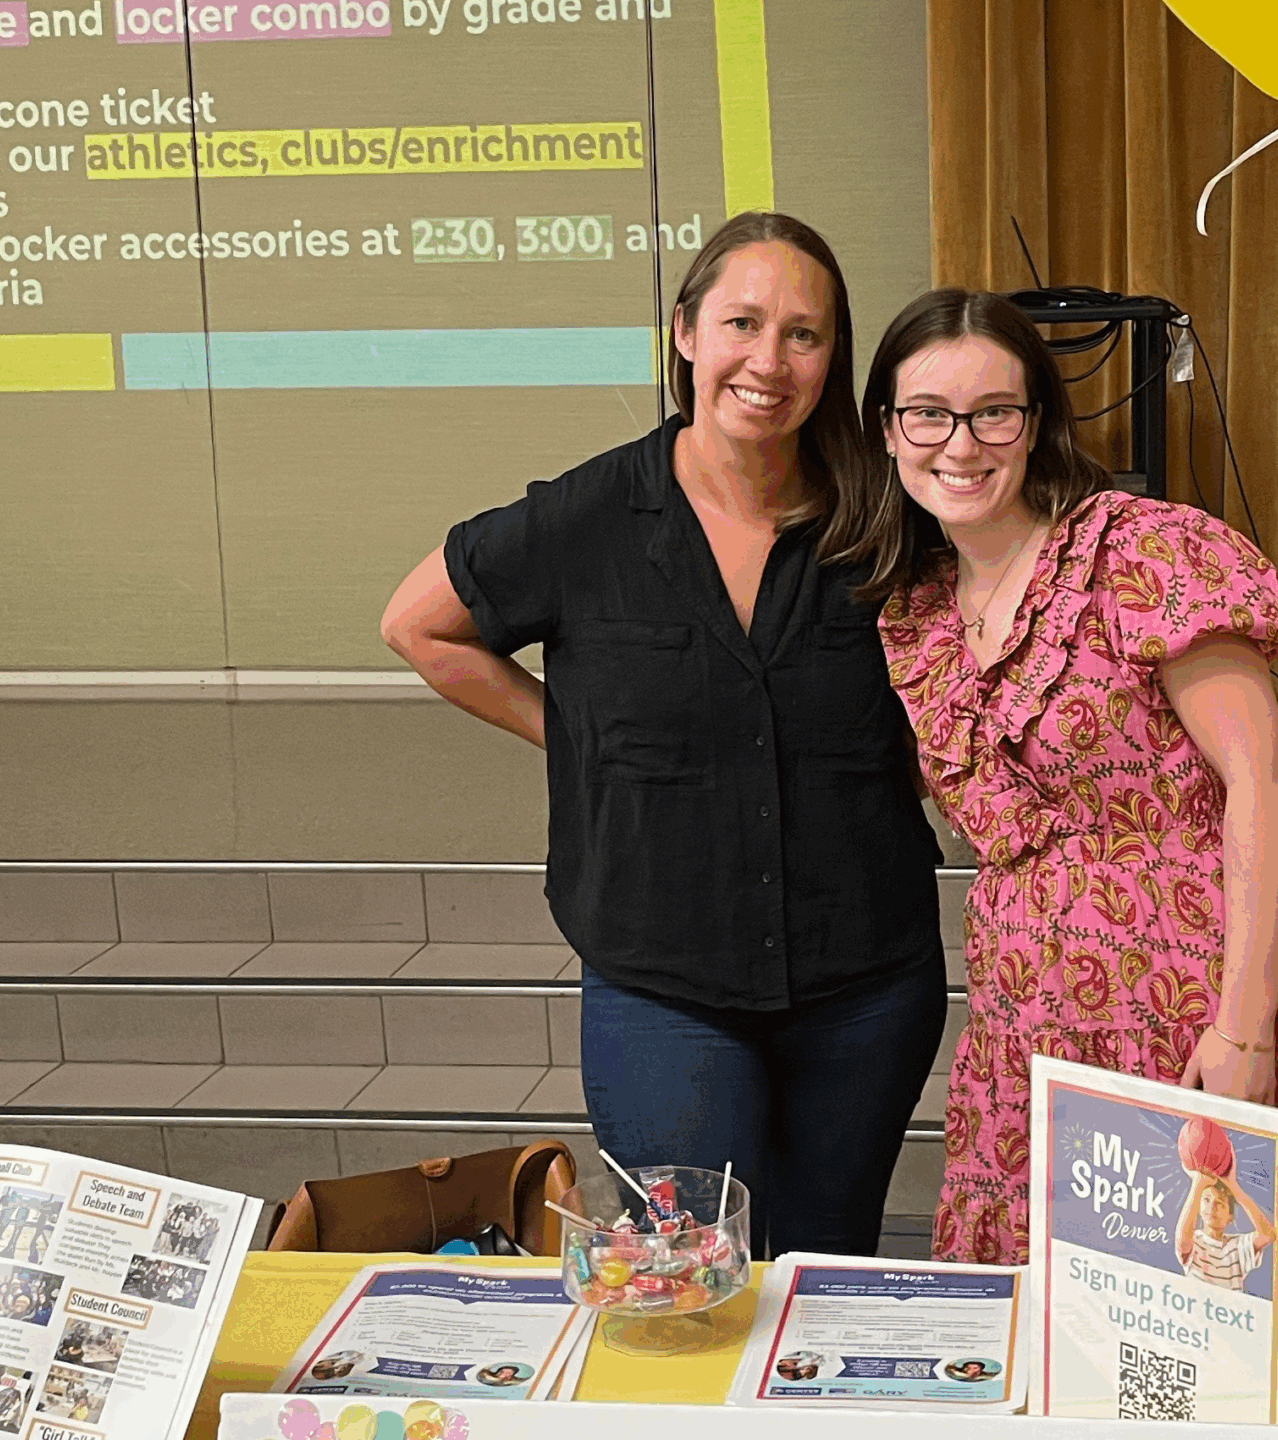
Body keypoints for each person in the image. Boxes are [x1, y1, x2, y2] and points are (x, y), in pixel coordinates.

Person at [381, 213, 944, 1258]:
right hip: (664, 987)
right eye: (742, 322)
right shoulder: (589, 518)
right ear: (685, 332)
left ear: (835, 356)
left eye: (804, 335)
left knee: (828, 1265)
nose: (768, 361)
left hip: (863, 982)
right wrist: (574, 736)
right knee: (690, 1280)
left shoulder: (891, 514)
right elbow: (416, 624)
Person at [837, 289, 1278, 1275]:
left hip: (1178, 1000)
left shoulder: (1135, 552)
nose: (958, 445)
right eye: (927, 413)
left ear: (1036, 421)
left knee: (1201, 1310)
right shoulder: (914, 611)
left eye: (992, 412)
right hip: (1022, 1017)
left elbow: (1261, 777)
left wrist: (1245, 1028)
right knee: (1057, 1330)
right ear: (886, 429)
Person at [1176, 1170, 1275, 1290]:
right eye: (1207, 1200)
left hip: (1228, 1308)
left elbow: (1267, 1235)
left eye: (1220, 1203)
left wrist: (1234, 1187)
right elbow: (1182, 1243)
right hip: (1197, 1305)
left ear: (1230, 1217)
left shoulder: (1236, 1246)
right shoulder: (1195, 1238)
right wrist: (1198, 1183)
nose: (1212, 1207)